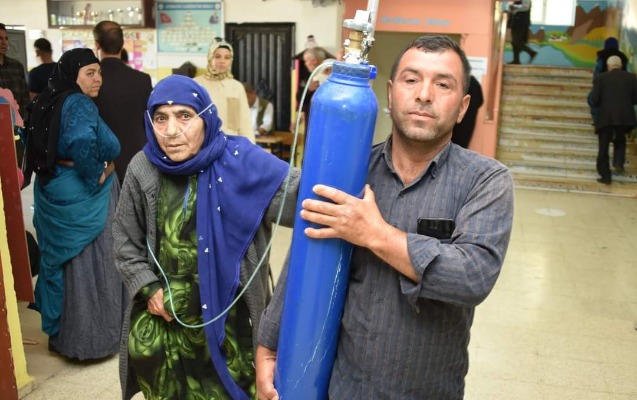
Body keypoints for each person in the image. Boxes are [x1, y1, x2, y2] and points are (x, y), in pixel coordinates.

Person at [256, 35, 515, 399]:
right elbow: (305, 251)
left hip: (427, 391)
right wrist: (268, 345)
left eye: (443, 84)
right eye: (411, 80)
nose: (424, 95)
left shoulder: (486, 180)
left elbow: (472, 277)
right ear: (390, 95)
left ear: (462, 106)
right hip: (343, 387)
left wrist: (374, 233)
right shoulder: (352, 170)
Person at [112, 74, 300, 400]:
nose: (171, 131)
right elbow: (124, 239)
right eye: (161, 118)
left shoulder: (243, 161)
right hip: (166, 322)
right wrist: (148, 287)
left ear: (206, 116)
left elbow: (306, 198)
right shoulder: (143, 167)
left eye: (184, 116)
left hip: (230, 326)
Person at [24, 48, 125, 360]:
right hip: (85, 199)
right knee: (91, 265)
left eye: (99, 72)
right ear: (73, 75)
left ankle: (63, 336)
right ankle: (91, 340)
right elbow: (82, 141)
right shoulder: (79, 103)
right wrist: (98, 173)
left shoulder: (49, 100)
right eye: (90, 73)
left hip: (53, 188)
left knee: (65, 267)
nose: (98, 79)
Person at [92, 20, 153, 185]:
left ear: (97, 44)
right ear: (122, 43)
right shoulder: (142, 80)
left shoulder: (91, 82)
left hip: (102, 165)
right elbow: (149, 121)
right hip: (137, 162)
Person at [194, 37, 255, 143]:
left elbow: (245, 123)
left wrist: (250, 147)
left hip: (230, 144)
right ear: (210, 58)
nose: (222, 61)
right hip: (204, 143)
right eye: (217, 56)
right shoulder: (196, 84)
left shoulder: (237, 87)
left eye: (227, 57)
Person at [590, 55, 637, 185]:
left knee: (603, 147)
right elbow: (635, 99)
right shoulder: (632, 78)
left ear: (608, 66)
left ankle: (605, 176)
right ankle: (618, 162)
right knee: (620, 140)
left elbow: (595, 100)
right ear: (621, 66)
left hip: (606, 117)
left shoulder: (600, 78)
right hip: (624, 117)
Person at [588, 37, 629, 122]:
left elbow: (598, 71)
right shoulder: (623, 56)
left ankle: (596, 120)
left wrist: (595, 84)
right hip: (621, 86)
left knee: (593, 99)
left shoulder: (602, 55)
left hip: (604, 84)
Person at [0, 23, 30, 119]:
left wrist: (25, 120)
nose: (4, 42)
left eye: (6, 38)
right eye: (0, 38)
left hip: (17, 123)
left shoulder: (16, 66)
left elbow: (25, 98)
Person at [452, 74, 484, 148]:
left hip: (457, 122)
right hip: (469, 121)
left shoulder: (457, 81)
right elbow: (481, 101)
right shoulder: (474, 82)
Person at [507, 0, 537, 65]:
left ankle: (531, 52)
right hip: (514, 22)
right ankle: (516, 60)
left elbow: (526, 7)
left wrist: (514, 7)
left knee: (517, 41)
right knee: (514, 42)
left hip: (521, 22)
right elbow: (511, 9)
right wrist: (509, 10)